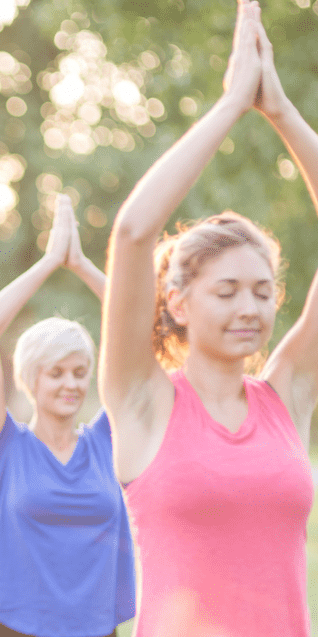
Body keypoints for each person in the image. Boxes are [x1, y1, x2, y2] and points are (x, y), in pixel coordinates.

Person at [100, 2, 317, 635]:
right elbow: (134, 234)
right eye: (226, 292)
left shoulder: (288, 396)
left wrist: (278, 109)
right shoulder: (141, 400)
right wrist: (229, 107)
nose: (249, 307)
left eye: (261, 290)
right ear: (178, 304)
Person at [0, 195, 135, 637]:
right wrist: (47, 265)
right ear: (31, 379)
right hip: (15, 628)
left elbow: (143, 330)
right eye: (55, 372)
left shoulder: (107, 441)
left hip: (96, 630)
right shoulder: (4, 447)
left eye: (80, 372)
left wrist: (79, 265)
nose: (71, 384)